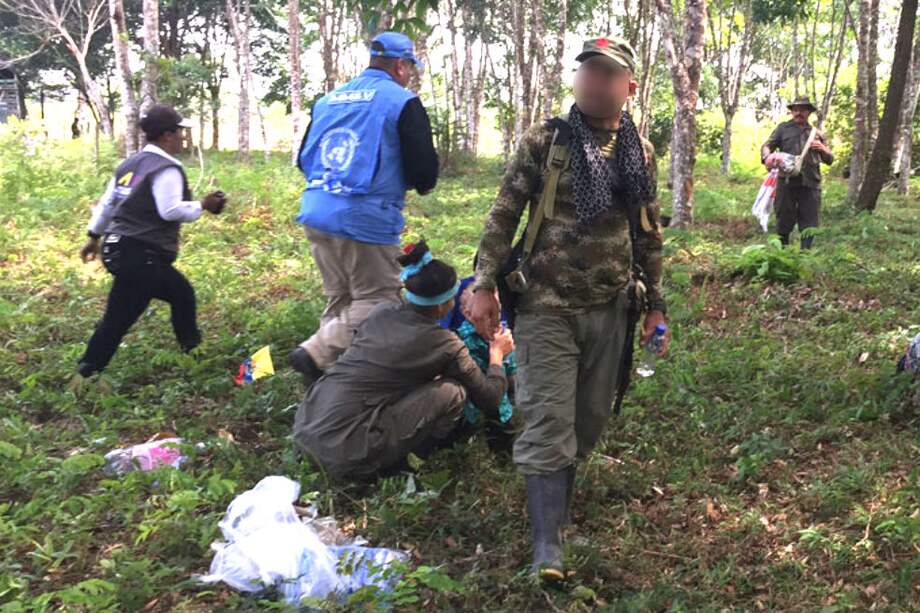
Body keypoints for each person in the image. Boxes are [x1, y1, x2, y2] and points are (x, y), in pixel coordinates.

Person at [469, 37, 669, 581]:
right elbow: (503, 214)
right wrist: (484, 282)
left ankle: (557, 512)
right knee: (548, 421)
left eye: (608, 74)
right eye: (588, 71)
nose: (595, 81)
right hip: (545, 306)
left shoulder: (641, 152)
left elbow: (648, 233)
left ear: (629, 86)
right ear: (576, 79)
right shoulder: (546, 140)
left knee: (588, 421)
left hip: (611, 308)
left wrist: (657, 305)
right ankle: (546, 546)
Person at [289, 31, 440, 386]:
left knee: (342, 298)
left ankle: (330, 379)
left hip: (317, 209)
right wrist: (423, 183)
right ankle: (314, 352)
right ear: (401, 66)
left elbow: (303, 160)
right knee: (381, 299)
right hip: (364, 219)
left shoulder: (329, 101)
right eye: (410, 68)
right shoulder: (402, 102)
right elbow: (423, 170)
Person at [293, 242, 514, 481]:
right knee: (453, 392)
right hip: (343, 451)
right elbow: (490, 399)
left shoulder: (381, 312)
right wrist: (497, 357)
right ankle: (407, 461)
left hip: (307, 429)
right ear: (444, 305)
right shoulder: (444, 343)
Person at [76, 104, 227, 378]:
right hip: (139, 253)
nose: (183, 138)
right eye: (180, 132)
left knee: (144, 305)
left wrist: (93, 237)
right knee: (167, 299)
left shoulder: (130, 164)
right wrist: (203, 205)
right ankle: (193, 357)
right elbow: (168, 210)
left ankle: (90, 367)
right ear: (167, 135)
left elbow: (108, 204)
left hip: (117, 248)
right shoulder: (165, 168)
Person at [761, 96, 834, 249]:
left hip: (811, 183)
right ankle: (784, 252)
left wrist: (822, 149)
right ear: (792, 112)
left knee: (809, 220)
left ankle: (805, 254)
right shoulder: (782, 129)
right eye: (795, 109)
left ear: (809, 112)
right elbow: (767, 145)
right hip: (786, 182)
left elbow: (829, 159)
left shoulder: (817, 133)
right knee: (783, 217)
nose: (798, 112)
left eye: (802, 109)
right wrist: (767, 157)